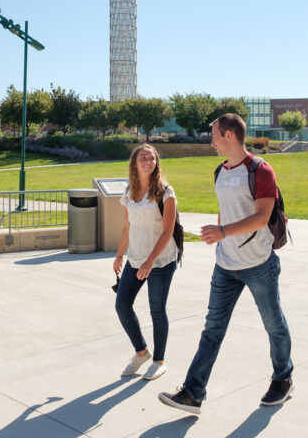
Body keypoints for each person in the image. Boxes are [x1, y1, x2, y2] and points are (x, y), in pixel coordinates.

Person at [159, 113, 293, 415]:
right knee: (212, 329)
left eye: (215, 135)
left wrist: (222, 232)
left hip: (259, 263)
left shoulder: (261, 170)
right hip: (225, 265)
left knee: (273, 325)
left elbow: (261, 216)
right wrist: (221, 237)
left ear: (230, 135)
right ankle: (193, 393)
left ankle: (283, 378)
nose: (212, 141)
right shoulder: (219, 172)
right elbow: (227, 211)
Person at [113, 144, 178, 382]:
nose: (148, 161)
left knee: (157, 311)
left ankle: (159, 361)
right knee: (122, 305)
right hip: (135, 258)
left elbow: (168, 231)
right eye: (143, 157)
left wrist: (150, 262)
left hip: (160, 260)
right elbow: (127, 226)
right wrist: (120, 255)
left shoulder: (165, 192)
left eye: (152, 158)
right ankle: (141, 352)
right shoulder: (130, 191)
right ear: (135, 162)